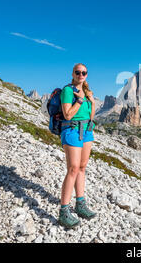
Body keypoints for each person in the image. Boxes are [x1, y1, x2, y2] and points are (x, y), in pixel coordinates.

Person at [58, 63, 97, 228]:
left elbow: (91, 115)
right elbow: (67, 114)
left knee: (82, 167)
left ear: (86, 75)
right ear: (73, 73)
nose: (81, 74)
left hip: (87, 130)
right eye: (78, 72)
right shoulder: (68, 91)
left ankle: (80, 204)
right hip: (72, 130)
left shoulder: (87, 92)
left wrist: (92, 102)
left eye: (84, 72)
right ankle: (63, 211)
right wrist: (80, 100)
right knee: (73, 169)